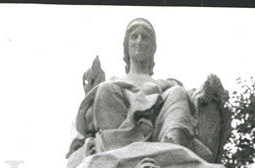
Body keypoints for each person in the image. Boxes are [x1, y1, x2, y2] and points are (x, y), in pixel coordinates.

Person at [75, 18, 215, 160]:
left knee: (177, 91)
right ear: (126, 47)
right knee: (105, 88)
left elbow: (192, 100)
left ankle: (172, 148)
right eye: (134, 37)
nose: (139, 41)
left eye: (145, 37)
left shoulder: (167, 84)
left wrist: (205, 92)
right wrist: (91, 90)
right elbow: (90, 121)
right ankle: (121, 153)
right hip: (120, 142)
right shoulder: (114, 84)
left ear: (153, 48)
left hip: (160, 134)